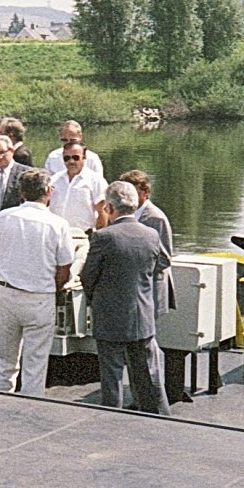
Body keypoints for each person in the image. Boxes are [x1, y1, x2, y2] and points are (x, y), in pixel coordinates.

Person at [80, 181, 170, 414]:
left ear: (109, 207)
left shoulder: (103, 237)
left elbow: (88, 277)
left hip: (110, 317)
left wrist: (98, 299)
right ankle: (161, 418)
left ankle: (112, 422)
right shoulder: (151, 234)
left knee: (112, 379)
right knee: (149, 377)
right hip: (142, 315)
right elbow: (161, 263)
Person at [0, 168, 74, 395]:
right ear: (48, 191)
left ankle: (0, 400)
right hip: (39, 297)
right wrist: (55, 287)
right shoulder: (58, 224)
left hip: (7, 293)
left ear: (21, 192)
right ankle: (30, 406)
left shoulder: (4, 217)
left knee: (5, 360)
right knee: (35, 364)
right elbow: (64, 268)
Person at [122, 168, 179, 403]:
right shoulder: (125, 215)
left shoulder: (155, 217)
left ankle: (153, 400)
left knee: (146, 347)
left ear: (145, 192)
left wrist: (135, 265)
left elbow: (164, 259)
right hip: (135, 290)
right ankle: (141, 397)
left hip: (151, 290)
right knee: (135, 347)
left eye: (132, 192)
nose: (127, 197)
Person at [48, 140, 107, 231]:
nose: (71, 161)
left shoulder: (95, 181)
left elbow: (102, 212)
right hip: (56, 233)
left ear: (84, 157)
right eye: (67, 158)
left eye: (75, 157)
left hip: (84, 234)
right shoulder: (54, 180)